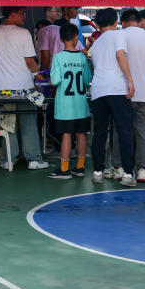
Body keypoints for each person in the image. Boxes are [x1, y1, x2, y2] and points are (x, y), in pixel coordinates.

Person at [0, 7, 49, 170]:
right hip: (24, 87)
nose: (24, 17)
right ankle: (34, 160)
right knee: (28, 123)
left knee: (7, 124)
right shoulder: (23, 33)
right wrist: (40, 77)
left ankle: (8, 159)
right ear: (13, 14)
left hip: (3, 89)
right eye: (22, 14)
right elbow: (30, 61)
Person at [89, 8, 137, 186]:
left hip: (98, 89)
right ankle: (128, 174)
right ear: (116, 22)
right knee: (124, 131)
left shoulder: (96, 44)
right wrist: (130, 79)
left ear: (97, 24)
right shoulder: (119, 35)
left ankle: (98, 172)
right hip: (116, 88)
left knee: (100, 132)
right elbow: (120, 55)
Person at [108, 9, 145, 182]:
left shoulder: (119, 36)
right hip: (144, 93)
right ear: (139, 21)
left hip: (123, 92)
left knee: (120, 131)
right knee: (142, 131)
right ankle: (143, 170)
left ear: (122, 22)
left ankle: (119, 168)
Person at [47, 23, 92, 179]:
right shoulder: (82, 57)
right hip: (81, 105)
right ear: (76, 38)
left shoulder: (58, 57)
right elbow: (87, 80)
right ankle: (80, 167)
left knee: (66, 135)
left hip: (65, 106)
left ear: (60, 39)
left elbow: (55, 81)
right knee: (81, 135)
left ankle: (64, 169)